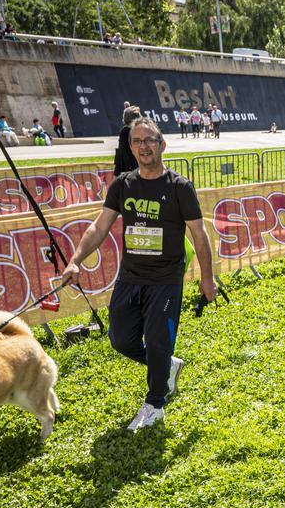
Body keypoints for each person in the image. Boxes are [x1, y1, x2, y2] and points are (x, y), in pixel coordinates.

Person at [62, 117, 216, 430]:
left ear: (162, 145)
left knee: (158, 342)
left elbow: (199, 235)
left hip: (165, 280)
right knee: (120, 340)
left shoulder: (179, 187)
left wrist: (207, 277)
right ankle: (166, 368)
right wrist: (75, 260)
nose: (144, 146)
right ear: (131, 147)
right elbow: (99, 226)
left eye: (150, 140)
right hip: (130, 277)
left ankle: (155, 403)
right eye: (137, 141)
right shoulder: (123, 184)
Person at [114, 105, 140, 176]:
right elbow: (123, 153)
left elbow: (120, 153)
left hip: (129, 170)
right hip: (131, 170)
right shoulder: (127, 132)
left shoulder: (126, 131)